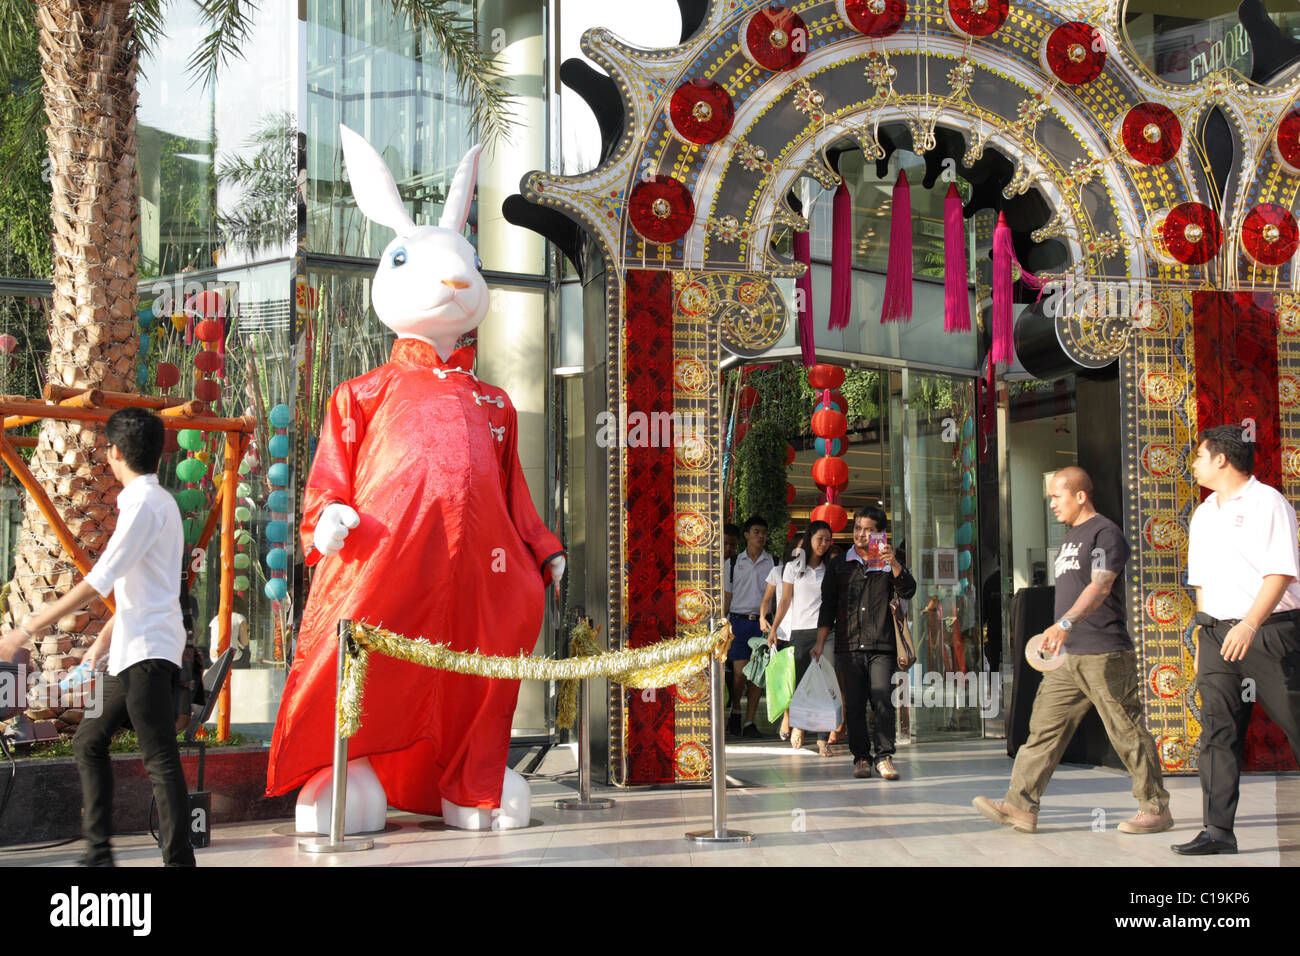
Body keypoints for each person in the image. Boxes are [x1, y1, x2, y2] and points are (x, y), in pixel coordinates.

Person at [0, 407, 195, 866]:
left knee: (160, 759)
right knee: (89, 740)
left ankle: (179, 861)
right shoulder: (150, 503)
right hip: (131, 650)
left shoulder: (145, 504)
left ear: (114, 453)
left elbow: (100, 581)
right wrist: (99, 648)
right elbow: (137, 588)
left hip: (148, 652)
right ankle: (99, 852)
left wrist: (26, 629)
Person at [972, 465, 1171, 837]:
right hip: (1066, 657)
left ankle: (1155, 807)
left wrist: (1065, 623)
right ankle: (1020, 805)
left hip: (1104, 652)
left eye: (1057, 496)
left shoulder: (1105, 533)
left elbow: (1101, 585)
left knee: (1126, 730)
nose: (1052, 504)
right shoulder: (1069, 538)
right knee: (1043, 730)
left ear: (1081, 495)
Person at [1172, 426, 1300, 855]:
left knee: (1295, 721)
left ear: (1221, 459)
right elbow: (1202, 581)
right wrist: (1204, 635)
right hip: (1216, 634)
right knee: (1217, 733)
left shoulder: (1269, 503)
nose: (1194, 463)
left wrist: (1248, 624)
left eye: (1199, 456)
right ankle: (1217, 831)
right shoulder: (1204, 512)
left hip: (1268, 631)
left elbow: (1280, 572)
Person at [818, 507, 916, 779]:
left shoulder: (888, 562)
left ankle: (884, 757)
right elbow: (827, 605)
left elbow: (909, 589)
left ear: (880, 534)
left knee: (883, 699)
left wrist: (893, 563)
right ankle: (861, 758)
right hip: (849, 645)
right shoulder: (839, 565)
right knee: (855, 704)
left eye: (869, 530)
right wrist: (820, 641)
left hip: (882, 645)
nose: (861, 534)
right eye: (858, 528)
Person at [770, 521, 836, 756]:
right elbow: (785, 600)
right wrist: (774, 629)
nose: (823, 544)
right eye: (820, 539)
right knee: (800, 684)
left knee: (824, 684)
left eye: (828, 540)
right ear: (809, 538)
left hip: (825, 632)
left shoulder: (831, 568)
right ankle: (799, 725)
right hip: (799, 631)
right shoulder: (792, 567)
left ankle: (822, 738)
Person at [723, 515, 774, 737]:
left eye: (763, 532)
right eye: (756, 532)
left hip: (762, 624)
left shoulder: (774, 563)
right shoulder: (732, 564)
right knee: (739, 672)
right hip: (737, 622)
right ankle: (736, 709)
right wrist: (722, 625)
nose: (760, 536)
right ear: (746, 535)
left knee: (758, 674)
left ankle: (749, 721)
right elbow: (727, 597)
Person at [761, 533, 802, 740]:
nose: (800, 552)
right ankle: (787, 716)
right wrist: (764, 619)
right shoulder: (778, 571)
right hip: (784, 629)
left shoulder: (812, 572)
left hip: (804, 629)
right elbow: (768, 599)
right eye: (798, 548)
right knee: (787, 678)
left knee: (801, 678)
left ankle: (800, 721)